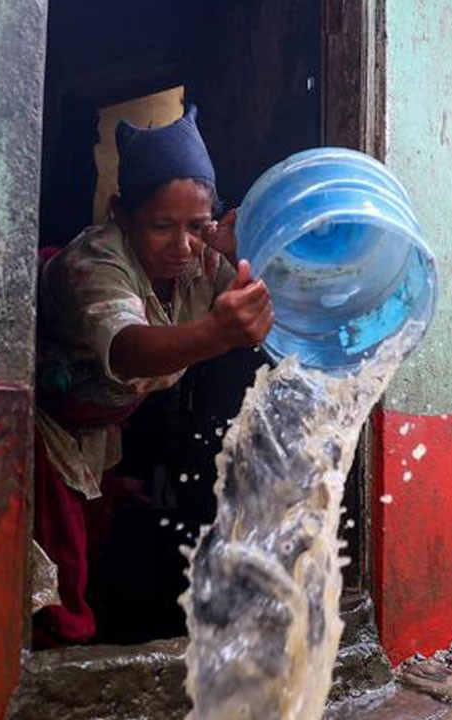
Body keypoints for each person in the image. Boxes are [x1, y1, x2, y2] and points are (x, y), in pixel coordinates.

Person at [33, 105, 274, 645]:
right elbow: (128, 350)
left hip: (101, 431)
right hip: (42, 433)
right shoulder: (92, 264)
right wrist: (215, 333)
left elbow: (272, 291)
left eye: (197, 226)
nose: (183, 246)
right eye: (161, 227)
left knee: (93, 554)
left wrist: (251, 247)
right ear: (121, 213)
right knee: (51, 584)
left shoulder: (204, 262)